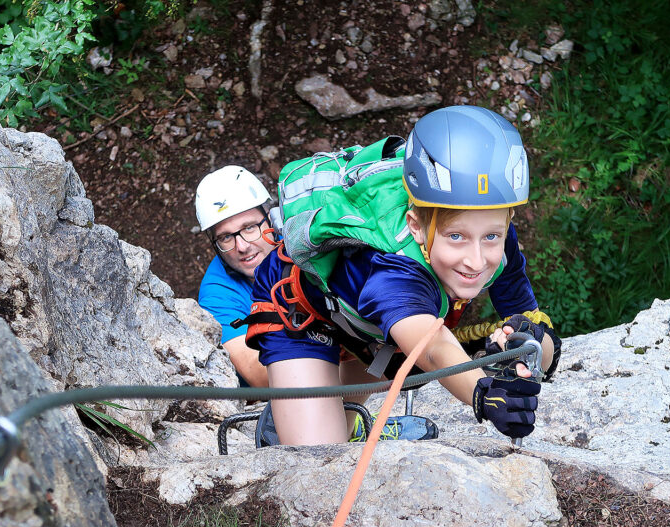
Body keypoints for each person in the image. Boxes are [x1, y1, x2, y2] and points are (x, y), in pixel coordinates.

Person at [244, 105, 560, 445]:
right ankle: (289, 420)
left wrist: (531, 345)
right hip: (302, 315)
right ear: (416, 227)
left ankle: (339, 419)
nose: (476, 260)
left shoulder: (493, 231)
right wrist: (484, 394)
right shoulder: (395, 270)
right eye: (456, 237)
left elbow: (530, 322)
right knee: (319, 455)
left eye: (491, 237)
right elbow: (432, 347)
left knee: (390, 375)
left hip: (367, 327)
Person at [195, 166, 279, 387]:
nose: (242, 246)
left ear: (271, 218)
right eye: (225, 237)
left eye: (250, 227)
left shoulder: (302, 243)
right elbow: (259, 374)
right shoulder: (217, 294)